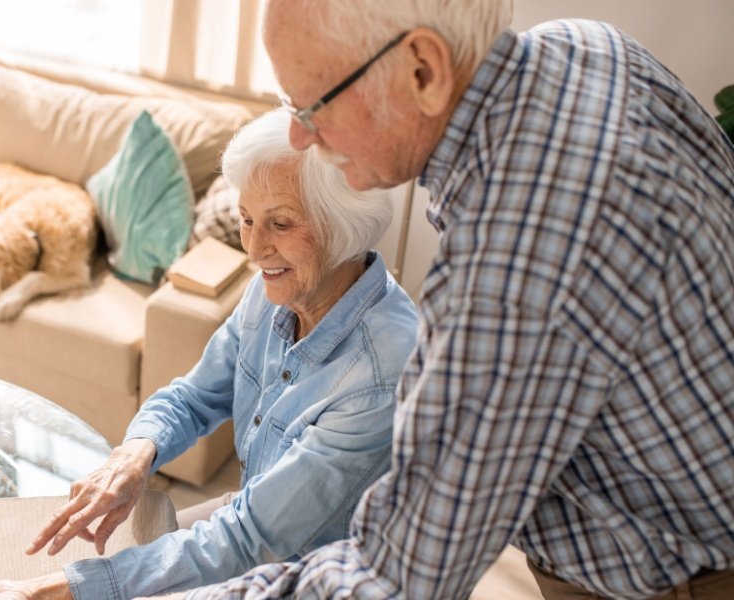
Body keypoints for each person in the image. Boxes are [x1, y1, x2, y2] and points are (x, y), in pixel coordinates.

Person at [179, 1, 734, 599]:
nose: (299, 136)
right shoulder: (587, 45)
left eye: (314, 105)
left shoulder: (518, 258)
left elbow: (398, 573)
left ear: (423, 70)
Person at [0, 108, 420, 600]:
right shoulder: (276, 288)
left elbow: (247, 540)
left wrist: (48, 592)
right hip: (253, 524)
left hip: (319, 578)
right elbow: (193, 397)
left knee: (70, 585)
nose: (255, 250)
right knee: (71, 558)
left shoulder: (383, 373)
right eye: (247, 220)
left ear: (345, 223)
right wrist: (135, 455)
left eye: (280, 224)